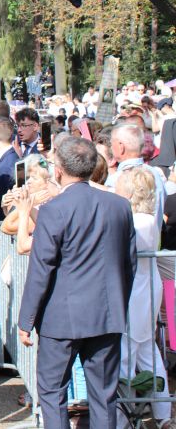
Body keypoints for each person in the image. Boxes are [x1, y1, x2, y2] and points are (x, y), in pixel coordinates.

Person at [18, 136, 137, 429]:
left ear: (58, 169)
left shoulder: (54, 209)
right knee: (104, 396)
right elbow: (129, 264)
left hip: (62, 318)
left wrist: (26, 319)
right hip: (106, 314)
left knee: (52, 391)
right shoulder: (119, 206)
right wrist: (119, 302)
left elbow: (41, 268)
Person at [114, 167, 172, 427]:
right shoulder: (145, 218)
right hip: (144, 288)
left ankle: (125, 417)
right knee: (146, 351)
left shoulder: (139, 220)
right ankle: (160, 414)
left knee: (129, 351)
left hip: (137, 292)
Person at [107, 124, 166, 230]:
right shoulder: (156, 174)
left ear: (121, 147)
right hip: (154, 239)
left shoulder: (118, 179)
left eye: (111, 144)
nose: (110, 148)